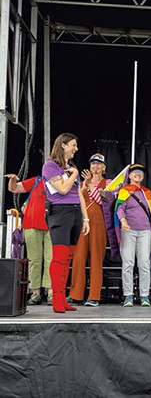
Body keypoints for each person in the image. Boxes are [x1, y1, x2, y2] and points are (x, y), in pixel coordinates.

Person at [42, 133, 90, 313]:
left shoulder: (72, 167)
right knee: (60, 258)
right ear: (63, 145)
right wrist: (75, 174)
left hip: (75, 212)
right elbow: (62, 189)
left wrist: (85, 218)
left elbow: (79, 194)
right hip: (60, 213)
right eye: (73, 145)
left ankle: (63, 298)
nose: (75, 149)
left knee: (68, 259)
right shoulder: (50, 166)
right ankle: (56, 298)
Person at [67, 154, 111, 307]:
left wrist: (91, 186)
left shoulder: (109, 183)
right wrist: (84, 185)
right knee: (78, 257)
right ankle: (75, 294)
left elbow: (104, 203)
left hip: (99, 223)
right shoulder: (82, 183)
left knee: (96, 258)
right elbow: (76, 201)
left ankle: (94, 295)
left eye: (99, 164)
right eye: (93, 164)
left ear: (104, 167)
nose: (95, 167)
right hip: (83, 223)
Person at [115, 164, 151, 308]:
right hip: (129, 230)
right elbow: (119, 208)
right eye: (135, 172)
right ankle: (128, 295)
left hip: (145, 230)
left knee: (144, 263)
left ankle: (144, 295)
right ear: (129, 175)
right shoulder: (124, 191)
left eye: (140, 172)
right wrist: (123, 220)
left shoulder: (147, 193)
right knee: (128, 263)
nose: (138, 174)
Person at [5, 174, 53, 305]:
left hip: (53, 225)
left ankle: (51, 293)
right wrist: (13, 180)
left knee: (52, 260)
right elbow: (14, 189)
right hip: (32, 223)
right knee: (34, 260)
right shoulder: (37, 180)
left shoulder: (64, 182)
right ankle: (35, 293)